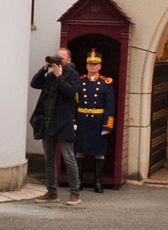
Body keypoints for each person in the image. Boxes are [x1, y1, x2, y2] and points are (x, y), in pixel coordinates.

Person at [29, 47, 80, 203]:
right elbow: (35, 83)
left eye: (62, 58)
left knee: (69, 158)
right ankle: (52, 193)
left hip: (64, 122)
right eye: (57, 57)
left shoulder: (73, 75)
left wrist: (59, 77)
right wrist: (45, 67)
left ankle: (75, 193)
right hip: (49, 122)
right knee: (49, 159)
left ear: (69, 61)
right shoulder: (50, 76)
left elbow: (70, 92)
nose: (59, 60)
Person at [74, 49, 117, 196]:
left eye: (95, 64)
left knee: (99, 153)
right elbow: (75, 103)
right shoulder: (80, 81)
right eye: (90, 64)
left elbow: (110, 106)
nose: (92, 67)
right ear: (86, 66)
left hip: (98, 121)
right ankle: (79, 180)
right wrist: (73, 120)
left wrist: (107, 125)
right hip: (82, 120)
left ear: (100, 66)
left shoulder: (106, 83)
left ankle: (97, 181)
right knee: (80, 151)